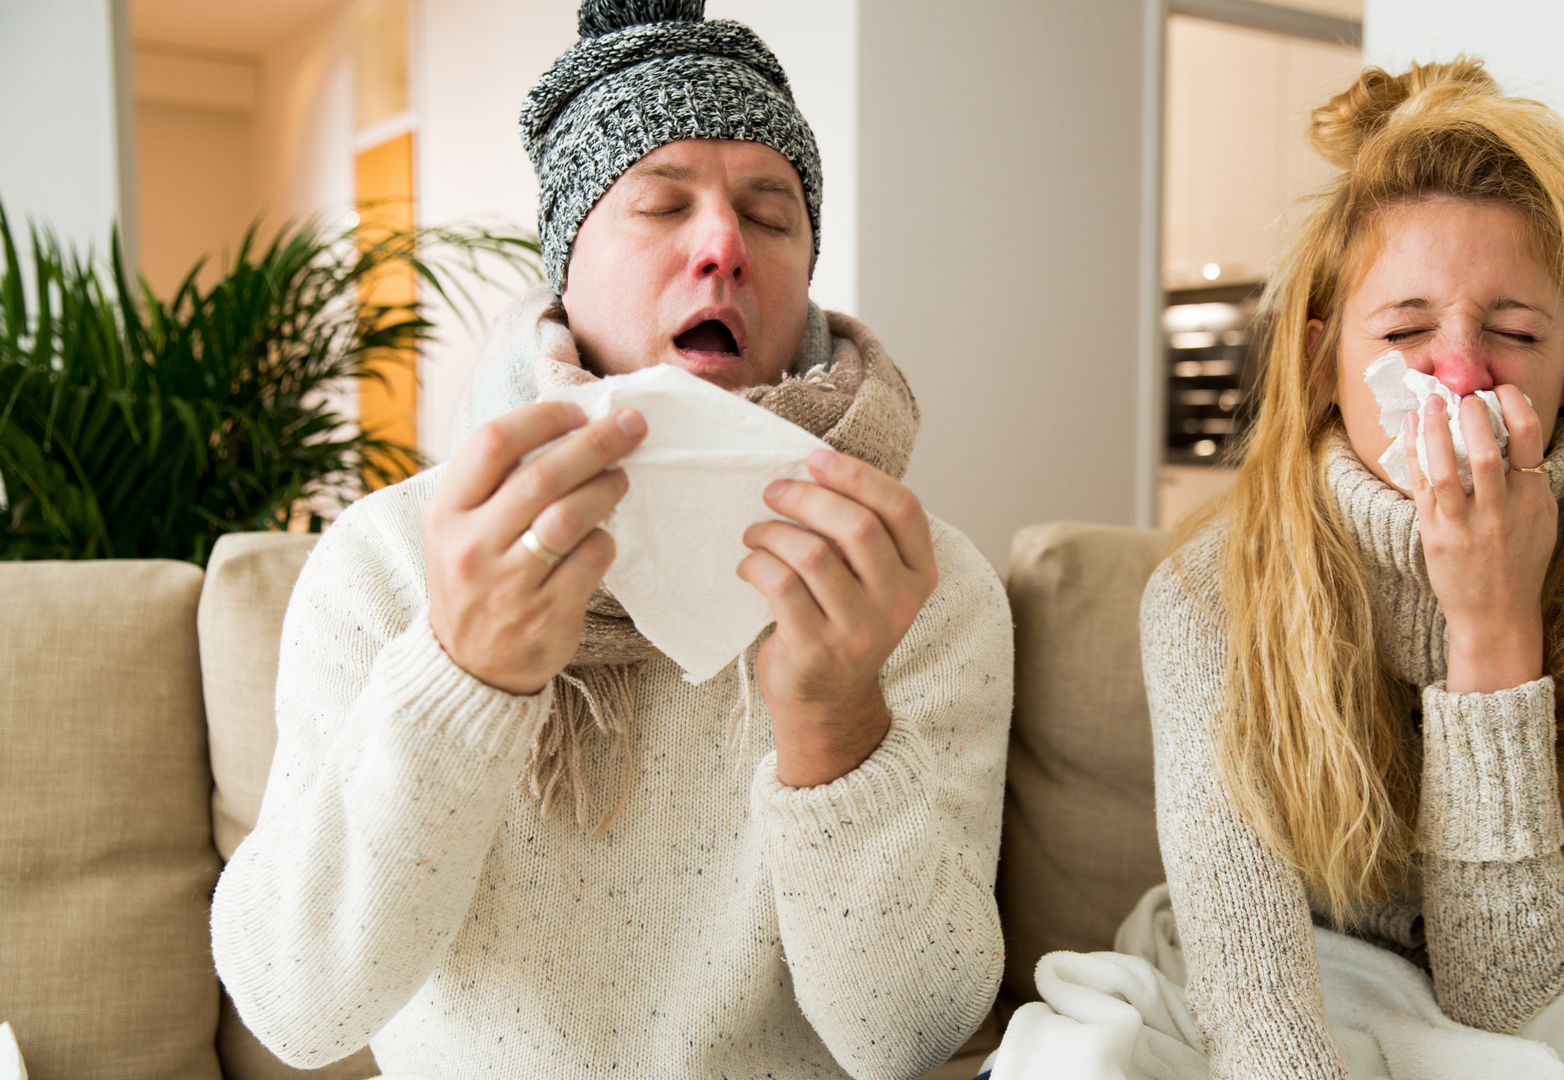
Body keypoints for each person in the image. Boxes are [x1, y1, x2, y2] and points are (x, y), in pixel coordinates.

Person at [210, 2, 1012, 1078]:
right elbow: (297, 1010)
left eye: (770, 217)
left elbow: (910, 1041)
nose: (723, 246)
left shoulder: (912, 583)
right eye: (660, 206)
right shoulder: (393, 560)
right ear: (567, 268)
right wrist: (462, 676)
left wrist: (835, 724)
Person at [1142, 59, 1564, 1076]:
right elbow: (1261, 1019)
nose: (1456, 373)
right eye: (1407, 331)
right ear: (1323, 363)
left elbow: (1505, 1001)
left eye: (1513, 331)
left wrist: (1494, 628)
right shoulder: (1204, 597)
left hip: (1550, 1007)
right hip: (1290, 996)